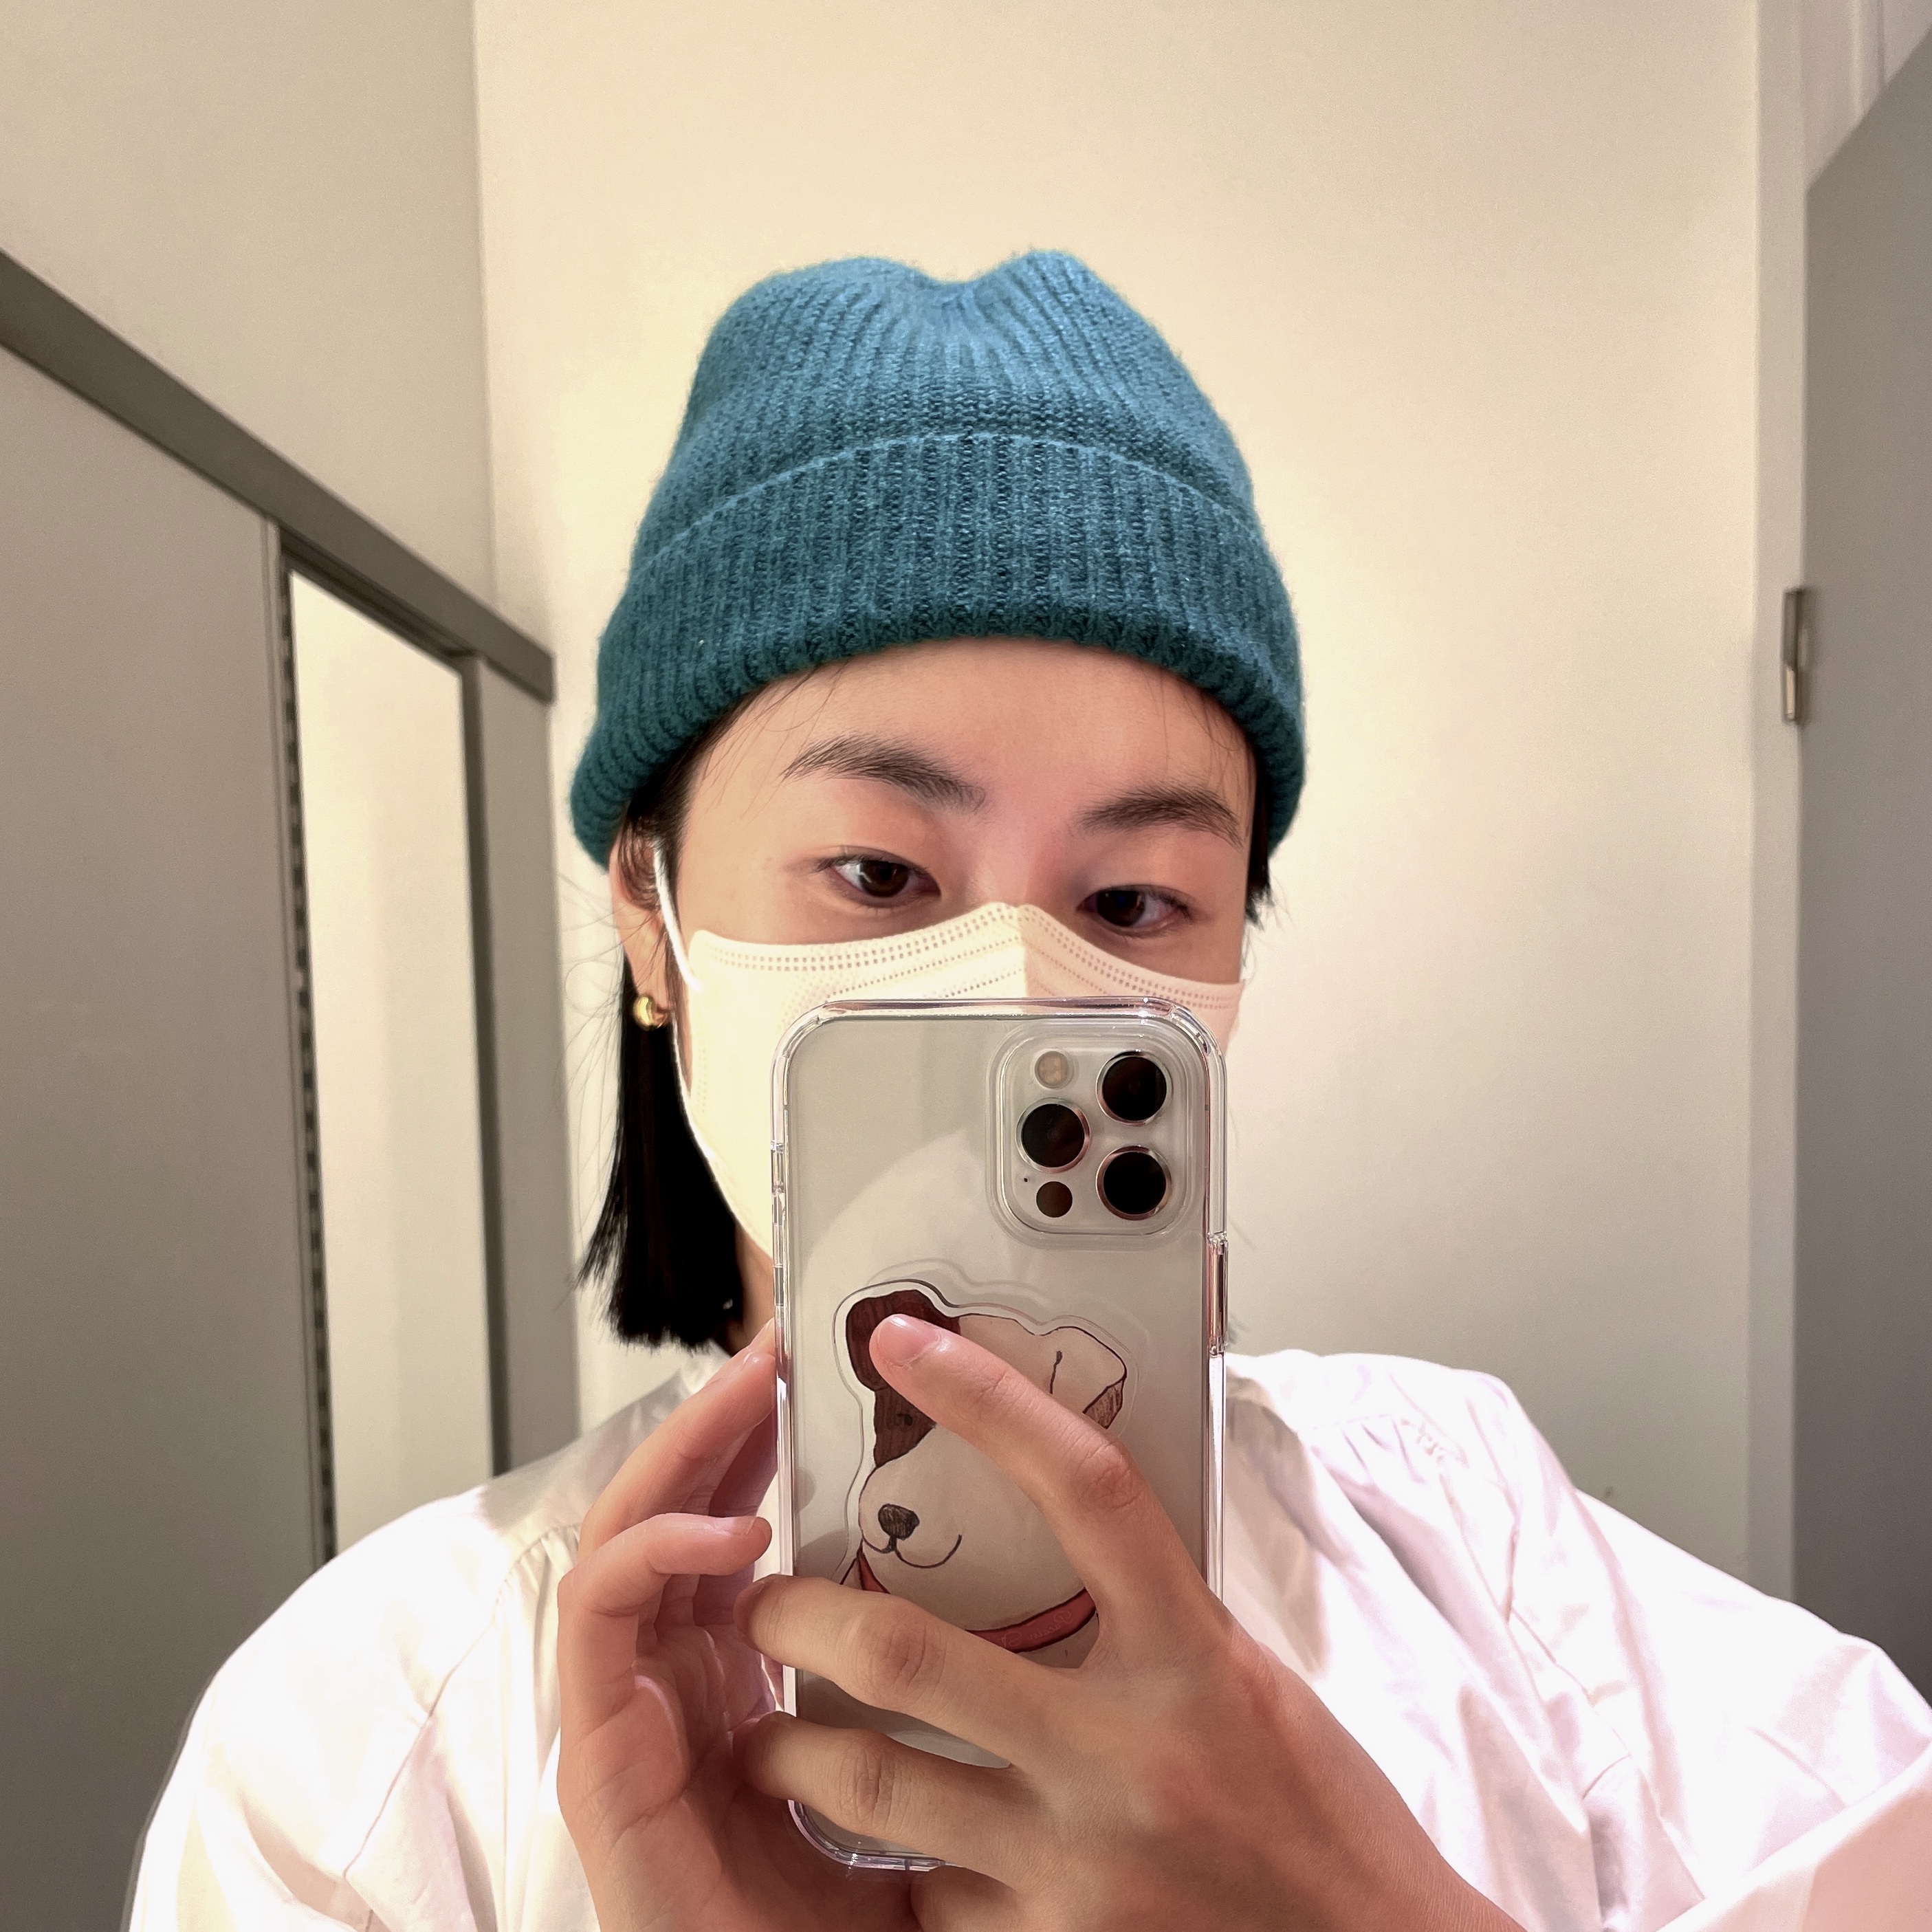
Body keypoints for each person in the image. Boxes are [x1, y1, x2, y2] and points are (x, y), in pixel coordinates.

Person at [131, 254, 1931, 1931]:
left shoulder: (1475, 1532)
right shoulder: (368, 1742)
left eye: (1133, 900)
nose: (1010, 983)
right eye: (878, 873)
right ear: (648, 909)